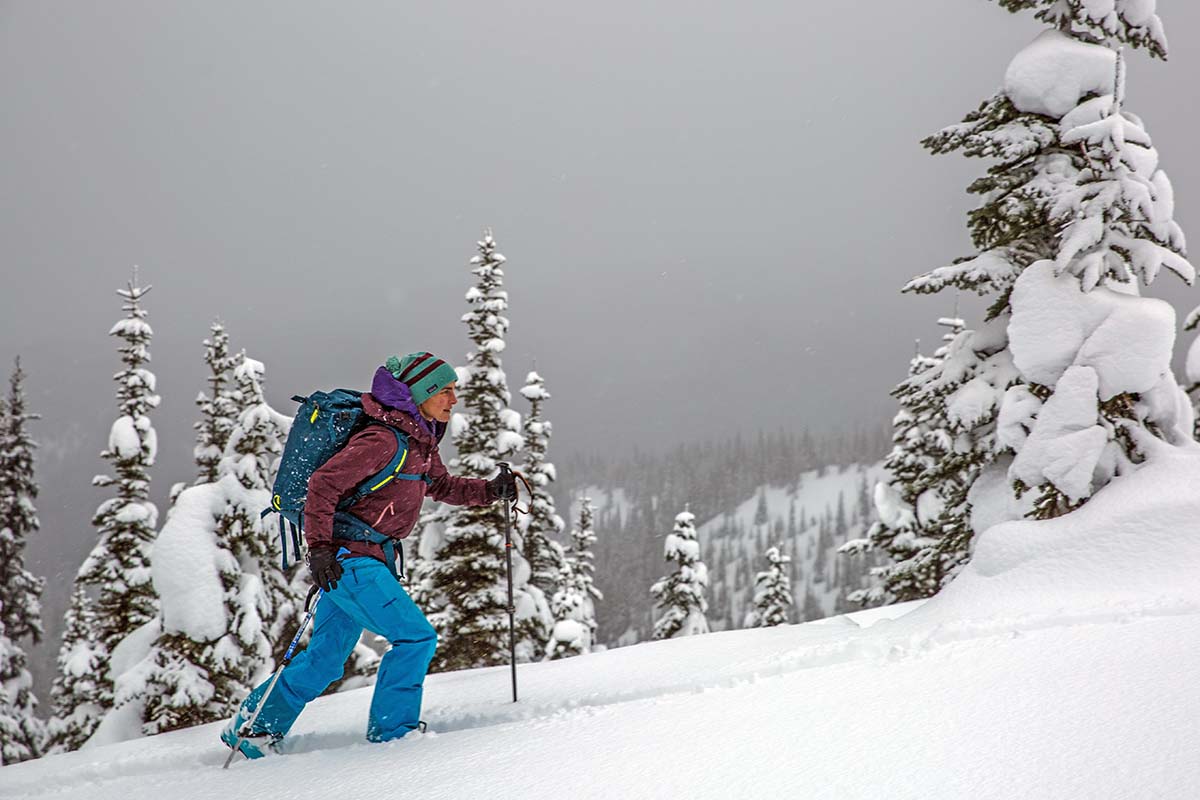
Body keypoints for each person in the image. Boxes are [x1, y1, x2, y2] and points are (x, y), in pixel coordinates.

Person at [221, 352, 516, 758]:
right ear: (420, 394)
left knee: (325, 660)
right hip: (350, 562)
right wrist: (319, 550)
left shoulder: (419, 441)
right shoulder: (383, 440)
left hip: (358, 561)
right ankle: (394, 737)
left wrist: (490, 491)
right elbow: (323, 484)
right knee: (415, 637)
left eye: (455, 390)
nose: (453, 399)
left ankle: (254, 730)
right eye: (445, 391)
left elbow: (442, 485)